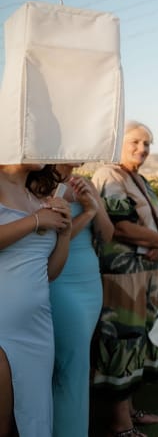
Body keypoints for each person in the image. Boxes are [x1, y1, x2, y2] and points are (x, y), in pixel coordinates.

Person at [92, 121, 158, 436]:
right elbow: (120, 226)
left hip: (147, 275)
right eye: (136, 142)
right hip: (122, 276)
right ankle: (118, 423)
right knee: (121, 341)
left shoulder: (138, 178)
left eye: (147, 144)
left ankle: (131, 411)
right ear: (118, 142)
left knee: (138, 341)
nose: (142, 149)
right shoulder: (108, 175)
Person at [28, 164, 113, 437]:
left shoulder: (83, 183)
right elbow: (50, 241)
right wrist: (87, 212)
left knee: (76, 366)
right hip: (61, 282)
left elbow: (107, 234)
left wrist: (94, 205)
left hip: (90, 282)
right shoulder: (39, 186)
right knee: (71, 368)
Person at [0, 164, 71, 436]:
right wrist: (37, 221)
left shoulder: (38, 198)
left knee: (33, 417)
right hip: (3, 325)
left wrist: (64, 232)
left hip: (37, 326)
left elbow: (50, 273)